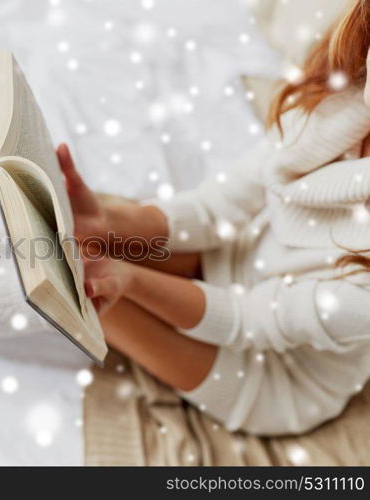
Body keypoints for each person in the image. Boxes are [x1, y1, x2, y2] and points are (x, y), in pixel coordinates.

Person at [59, 0, 370, 435]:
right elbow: (217, 207)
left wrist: (129, 277)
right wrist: (107, 221)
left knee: (72, 289)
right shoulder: (347, 103)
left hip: (275, 377)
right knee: (70, 239)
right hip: (236, 261)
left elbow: (251, 321)